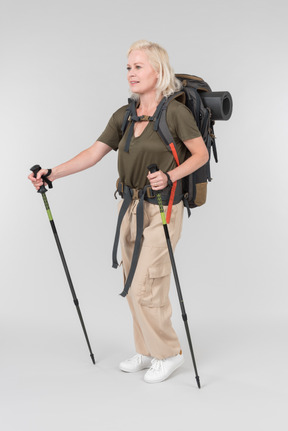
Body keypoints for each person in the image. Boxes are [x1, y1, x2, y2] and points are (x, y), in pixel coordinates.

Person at [28, 40, 208, 383]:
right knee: (130, 280)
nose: (131, 73)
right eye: (128, 67)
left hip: (164, 208)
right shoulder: (125, 114)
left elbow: (198, 155)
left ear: (159, 71)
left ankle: (169, 354)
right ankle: (146, 348)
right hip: (129, 206)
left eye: (139, 66)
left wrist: (169, 175)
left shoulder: (175, 113)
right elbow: (93, 153)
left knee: (147, 282)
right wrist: (51, 173)